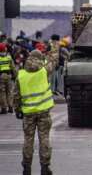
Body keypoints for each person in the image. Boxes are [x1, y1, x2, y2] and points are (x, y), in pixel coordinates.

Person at [14, 41, 59, 175]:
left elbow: (16, 96)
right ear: (40, 59)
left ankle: (26, 167)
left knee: (28, 139)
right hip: (44, 113)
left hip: (28, 114)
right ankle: (45, 167)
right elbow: (53, 62)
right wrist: (53, 49)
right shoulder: (44, 71)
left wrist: (17, 110)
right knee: (44, 138)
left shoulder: (21, 75)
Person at [0, 43, 16, 114]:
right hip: (9, 76)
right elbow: (13, 67)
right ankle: (10, 107)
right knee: (9, 92)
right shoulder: (9, 57)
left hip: (1, 76)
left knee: (2, 92)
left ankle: (4, 108)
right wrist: (15, 76)